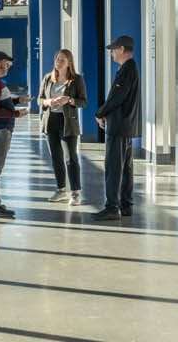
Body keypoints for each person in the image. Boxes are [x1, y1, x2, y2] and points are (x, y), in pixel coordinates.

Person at [92, 35, 141, 221]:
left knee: (114, 167)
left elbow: (117, 97)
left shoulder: (127, 70)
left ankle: (112, 206)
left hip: (119, 126)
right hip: (125, 126)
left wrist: (100, 112)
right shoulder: (131, 68)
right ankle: (125, 205)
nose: (112, 54)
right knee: (125, 167)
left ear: (121, 49)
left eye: (113, 50)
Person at [0, 50, 31, 219]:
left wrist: (17, 101)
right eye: (5, 65)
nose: (7, 68)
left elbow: (0, 101)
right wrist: (16, 114)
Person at [38, 48, 88, 204]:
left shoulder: (76, 80)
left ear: (69, 63)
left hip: (68, 123)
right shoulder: (48, 78)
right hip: (51, 120)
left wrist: (69, 100)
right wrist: (48, 102)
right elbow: (40, 100)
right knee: (56, 157)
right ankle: (61, 190)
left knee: (71, 158)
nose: (58, 63)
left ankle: (75, 193)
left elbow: (83, 101)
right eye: (57, 59)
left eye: (62, 60)